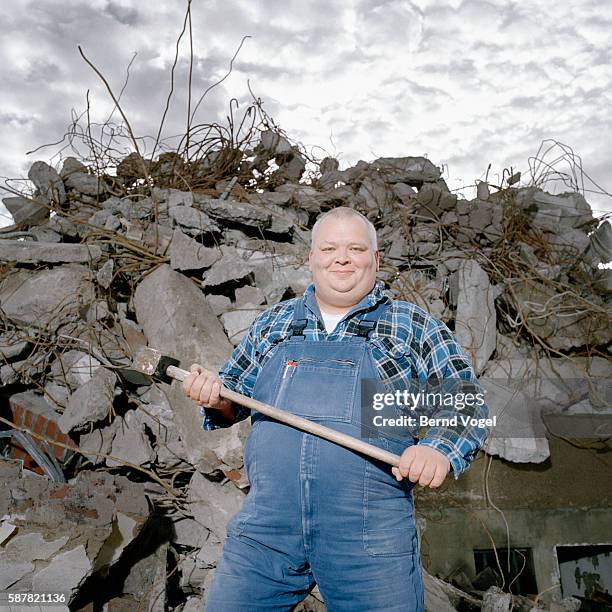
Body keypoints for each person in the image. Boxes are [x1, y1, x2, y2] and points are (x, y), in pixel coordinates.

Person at [183, 206, 488, 611]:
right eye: (328, 248)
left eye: (355, 248)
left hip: (367, 536)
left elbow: (466, 403)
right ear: (311, 259)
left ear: (376, 260)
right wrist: (214, 394)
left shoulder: (411, 327)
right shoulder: (273, 324)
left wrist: (438, 448)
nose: (341, 257)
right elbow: (232, 398)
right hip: (267, 532)